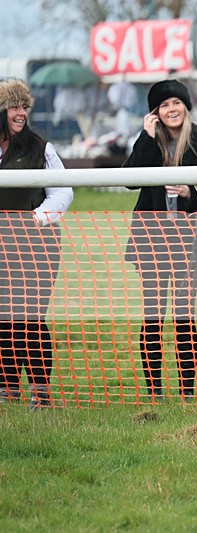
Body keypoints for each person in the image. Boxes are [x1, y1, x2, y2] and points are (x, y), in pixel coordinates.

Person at [123, 79, 197, 401]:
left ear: (186, 107)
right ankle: (154, 391)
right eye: (164, 105)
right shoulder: (150, 144)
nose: (171, 109)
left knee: (183, 317)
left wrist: (190, 193)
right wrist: (145, 135)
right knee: (152, 317)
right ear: (155, 112)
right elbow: (128, 179)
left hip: (188, 244)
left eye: (176, 103)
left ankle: (187, 392)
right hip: (150, 242)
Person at [0, 79, 74, 409]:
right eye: (14, 107)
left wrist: (36, 218)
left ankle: (40, 390)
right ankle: (7, 384)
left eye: (23, 107)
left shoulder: (41, 148)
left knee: (30, 317)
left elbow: (63, 191)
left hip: (36, 247)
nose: (20, 113)